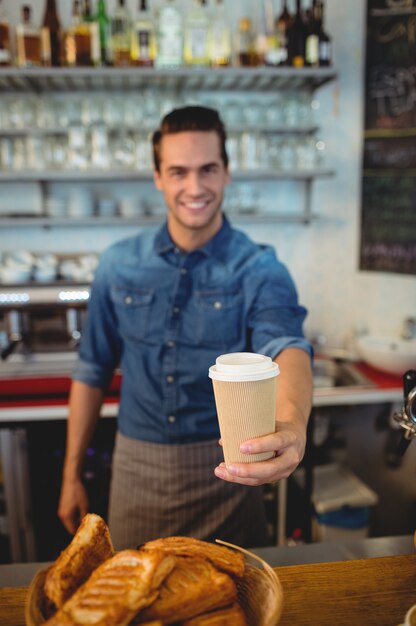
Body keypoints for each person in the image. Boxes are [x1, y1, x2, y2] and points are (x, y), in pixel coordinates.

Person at [58, 105, 313, 549]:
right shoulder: (118, 264)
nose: (195, 188)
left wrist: (291, 423)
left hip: (228, 475)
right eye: (178, 172)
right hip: (136, 473)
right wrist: (70, 475)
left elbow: (286, 345)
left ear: (227, 173)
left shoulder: (259, 266)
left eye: (208, 169)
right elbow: (92, 368)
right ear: (158, 177)